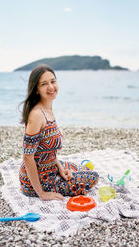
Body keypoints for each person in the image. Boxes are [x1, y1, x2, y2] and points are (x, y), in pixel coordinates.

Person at [19, 64, 99, 201]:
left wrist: (60, 168)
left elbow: (46, 149)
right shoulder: (37, 115)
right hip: (39, 181)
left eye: (53, 81)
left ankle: (58, 172)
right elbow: (27, 157)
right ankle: (39, 188)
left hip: (50, 166)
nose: (51, 87)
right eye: (44, 84)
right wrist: (42, 194)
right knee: (93, 177)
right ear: (36, 90)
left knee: (83, 168)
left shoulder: (48, 109)